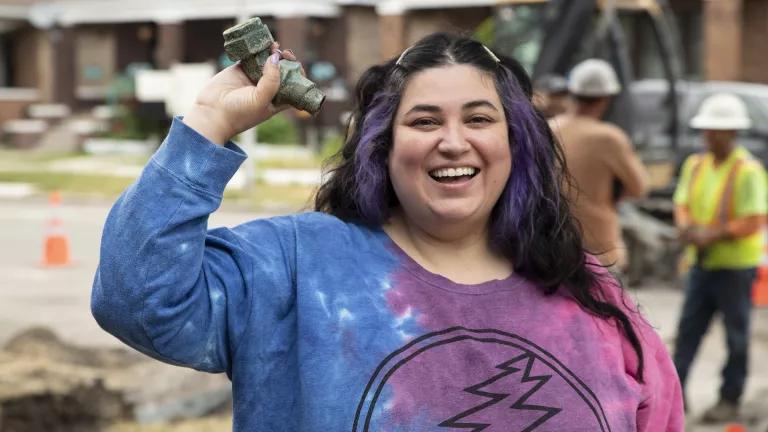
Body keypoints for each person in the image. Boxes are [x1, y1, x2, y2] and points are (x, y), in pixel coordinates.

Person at [91, 33, 683, 431]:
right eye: (424, 121)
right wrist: (210, 123)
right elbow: (136, 298)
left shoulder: (592, 295)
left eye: (479, 119)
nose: (454, 142)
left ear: (514, 142)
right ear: (385, 145)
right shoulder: (298, 268)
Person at [672, 93, 767, 422]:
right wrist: (686, 227)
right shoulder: (696, 164)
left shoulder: (748, 170)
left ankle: (729, 398)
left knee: (736, 337)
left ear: (733, 133)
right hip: (702, 264)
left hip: (735, 269)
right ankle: (673, 395)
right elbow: (682, 202)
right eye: (707, 130)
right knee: (687, 332)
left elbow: (755, 219)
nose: (709, 135)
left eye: (716, 130)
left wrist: (710, 234)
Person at [549, 59, 649, 270]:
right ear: (606, 98)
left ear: (572, 92)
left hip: (552, 246)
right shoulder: (608, 138)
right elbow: (640, 187)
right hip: (599, 251)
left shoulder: (547, 129)